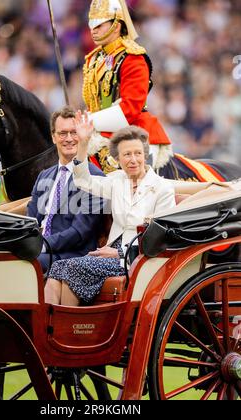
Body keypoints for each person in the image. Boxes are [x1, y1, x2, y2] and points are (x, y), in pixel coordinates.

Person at [44, 111, 176, 306]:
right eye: (127, 155)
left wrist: (120, 253)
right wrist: (83, 142)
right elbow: (82, 180)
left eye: (137, 153)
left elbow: (162, 238)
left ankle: (66, 330)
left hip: (137, 257)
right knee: (57, 269)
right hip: (110, 252)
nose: (133, 160)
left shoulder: (162, 188)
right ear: (118, 159)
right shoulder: (116, 180)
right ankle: (49, 329)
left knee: (70, 268)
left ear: (145, 155)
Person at [82, 0, 173, 174]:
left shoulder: (133, 57)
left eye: (100, 24)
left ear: (116, 26)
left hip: (135, 132)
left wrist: (90, 121)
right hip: (99, 131)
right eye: (91, 24)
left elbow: (129, 110)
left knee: (140, 180)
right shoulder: (94, 59)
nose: (94, 29)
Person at [27, 106, 105, 273]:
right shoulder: (44, 176)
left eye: (74, 132)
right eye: (63, 133)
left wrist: (41, 245)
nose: (69, 138)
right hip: (38, 248)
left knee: (26, 263)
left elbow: (79, 232)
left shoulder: (95, 177)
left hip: (72, 255)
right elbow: (30, 220)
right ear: (53, 137)